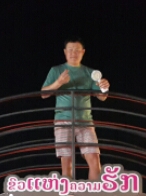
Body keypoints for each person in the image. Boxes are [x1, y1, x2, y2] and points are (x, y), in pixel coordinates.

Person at [41, 38, 110, 181]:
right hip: (63, 120)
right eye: (70, 50)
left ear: (83, 52)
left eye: (77, 50)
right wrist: (59, 82)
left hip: (85, 121)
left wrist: (104, 88)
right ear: (65, 52)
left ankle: (94, 193)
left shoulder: (90, 72)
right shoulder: (56, 70)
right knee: (67, 163)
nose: (74, 53)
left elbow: (102, 97)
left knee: (94, 160)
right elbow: (44, 94)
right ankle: (69, 194)